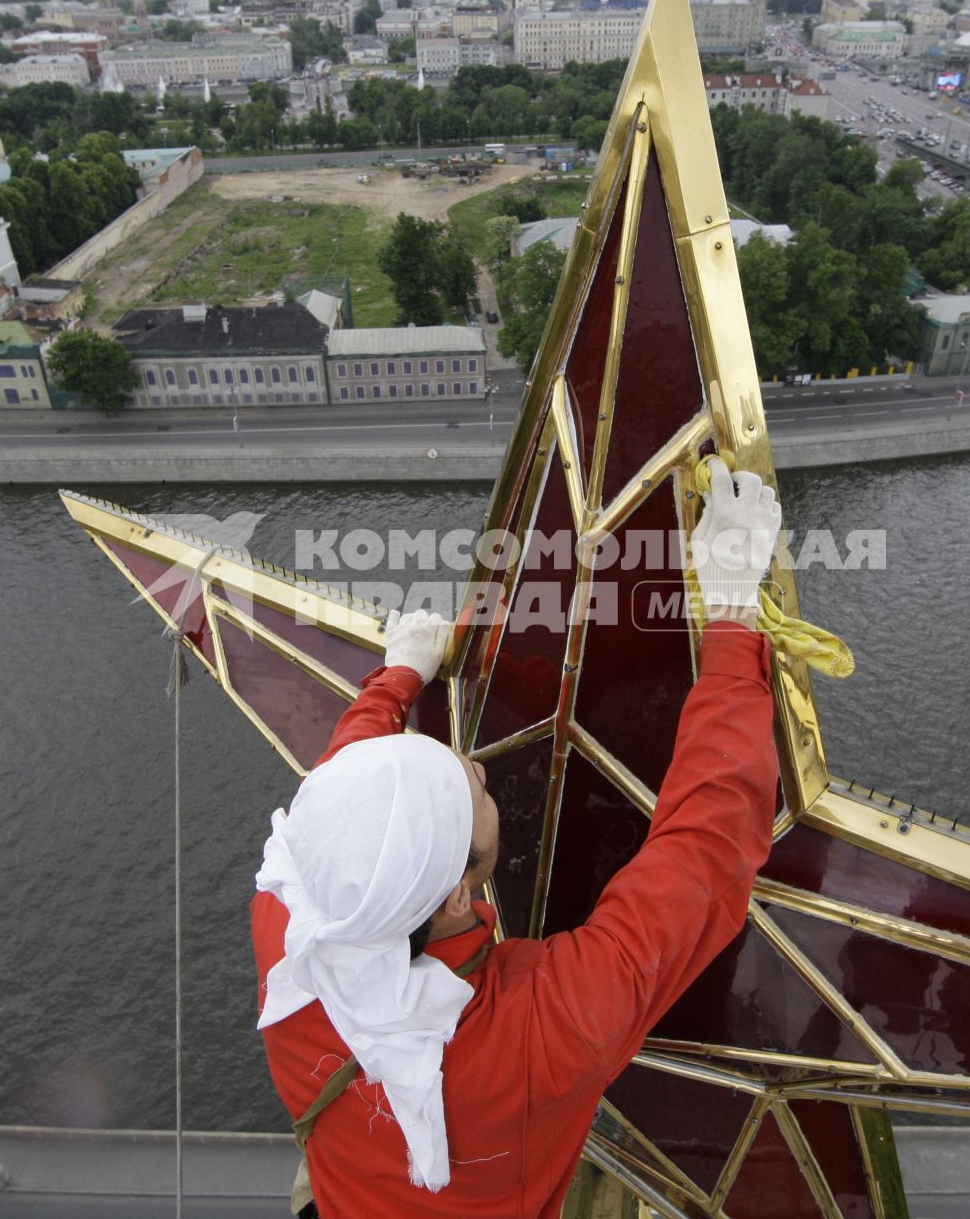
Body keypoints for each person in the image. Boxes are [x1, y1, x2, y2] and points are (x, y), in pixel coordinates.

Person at [250, 459, 786, 1217]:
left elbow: (345, 796)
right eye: (474, 789)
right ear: (460, 893)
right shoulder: (542, 1032)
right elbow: (707, 844)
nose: (470, 760)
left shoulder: (289, 919)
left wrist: (398, 678)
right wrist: (732, 612)